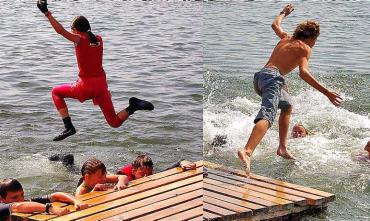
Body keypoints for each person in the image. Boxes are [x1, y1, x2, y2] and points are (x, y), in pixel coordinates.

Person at [237, 4, 342, 176]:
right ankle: (247, 151)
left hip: (260, 77)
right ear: (311, 37)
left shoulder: (285, 39)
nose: (315, 44)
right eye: (316, 39)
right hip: (272, 79)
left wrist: (283, 13)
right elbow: (304, 73)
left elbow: (275, 25)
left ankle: (282, 148)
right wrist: (326, 92)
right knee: (268, 116)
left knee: (287, 105)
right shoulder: (304, 48)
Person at [37, 0, 154, 141]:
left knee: (56, 92)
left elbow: (60, 31)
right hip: (101, 86)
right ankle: (132, 107)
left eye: (72, 28)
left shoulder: (79, 39)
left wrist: (46, 13)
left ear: (75, 29)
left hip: (86, 86)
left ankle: (68, 127)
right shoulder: (98, 39)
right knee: (114, 122)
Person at [0, 178, 87, 220]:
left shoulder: (26, 203)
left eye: (22, 195)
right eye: (14, 197)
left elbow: (55, 195)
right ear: (1, 199)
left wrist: (76, 201)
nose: (20, 199)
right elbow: (17, 206)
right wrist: (50, 209)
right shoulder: (1, 207)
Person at [116, 154, 196, 181]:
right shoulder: (124, 176)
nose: (146, 177)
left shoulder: (151, 174)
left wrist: (182, 162)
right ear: (133, 172)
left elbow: (169, 169)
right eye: (142, 174)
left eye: (149, 173)